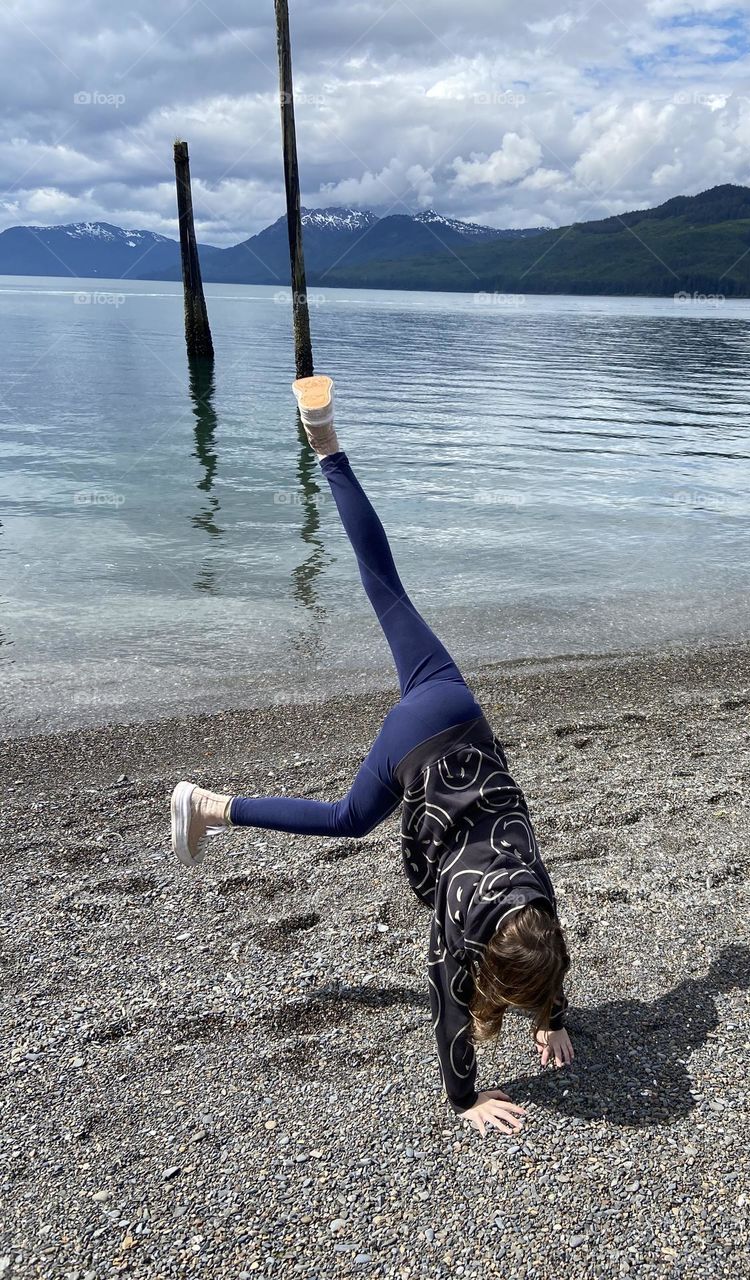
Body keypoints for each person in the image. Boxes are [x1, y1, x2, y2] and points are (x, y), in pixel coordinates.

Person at [170, 376, 574, 1135]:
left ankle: (326, 442)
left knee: (385, 588)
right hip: (414, 750)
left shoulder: (537, 904)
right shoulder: (465, 924)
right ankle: (209, 805)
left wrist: (550, 1015)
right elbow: (448, 998)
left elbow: (549, 952)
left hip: (454, 706)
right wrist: (467, 1099)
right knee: (346, 819)